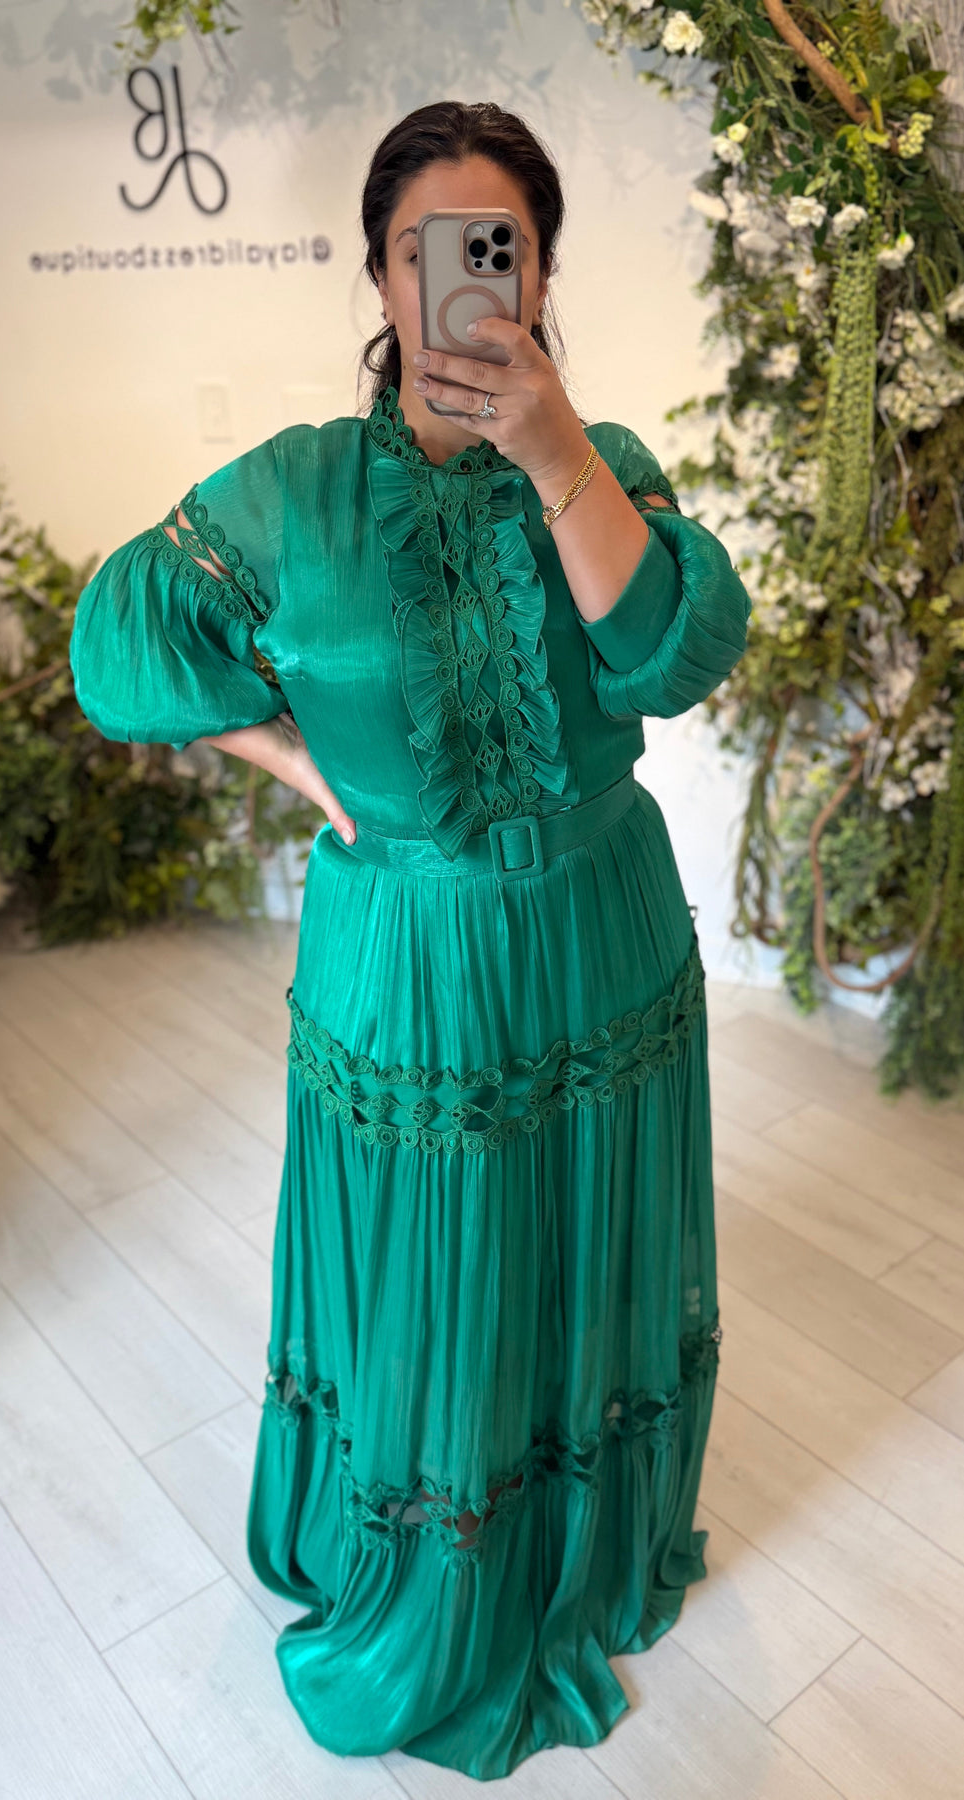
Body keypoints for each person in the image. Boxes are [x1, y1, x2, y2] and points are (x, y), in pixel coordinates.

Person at [69, 99, 750, 1782]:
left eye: (496, 249)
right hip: (410, 966)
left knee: (583, 1239)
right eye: (422, 249)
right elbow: (120, 651)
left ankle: (583, 1539)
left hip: (599, 925)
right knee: (432, 1271)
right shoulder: (291, 495)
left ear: (539, 271)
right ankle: (437, 1571)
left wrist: (556, 448)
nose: (460, 282)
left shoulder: (605, 465)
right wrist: (292, 757)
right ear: (378, 274)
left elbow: (673, 657)